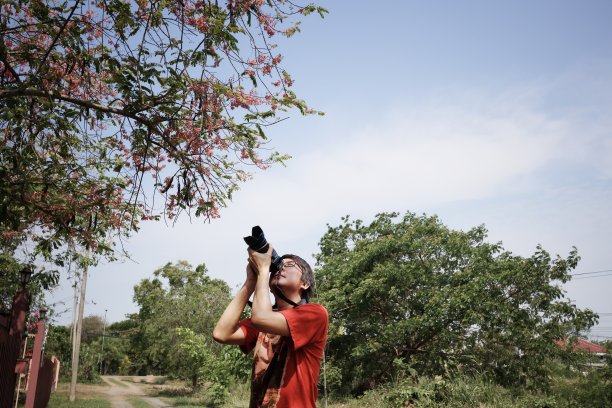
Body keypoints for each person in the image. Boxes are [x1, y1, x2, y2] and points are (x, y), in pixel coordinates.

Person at [213, 245, 328, 408]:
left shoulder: (315, 313)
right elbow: (221, 334)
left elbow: (261, 317)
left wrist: (264, 267)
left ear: (305, 283)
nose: (280, 268)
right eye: (278, 266)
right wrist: (251, 281)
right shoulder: (263, 317)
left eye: (288, 265)